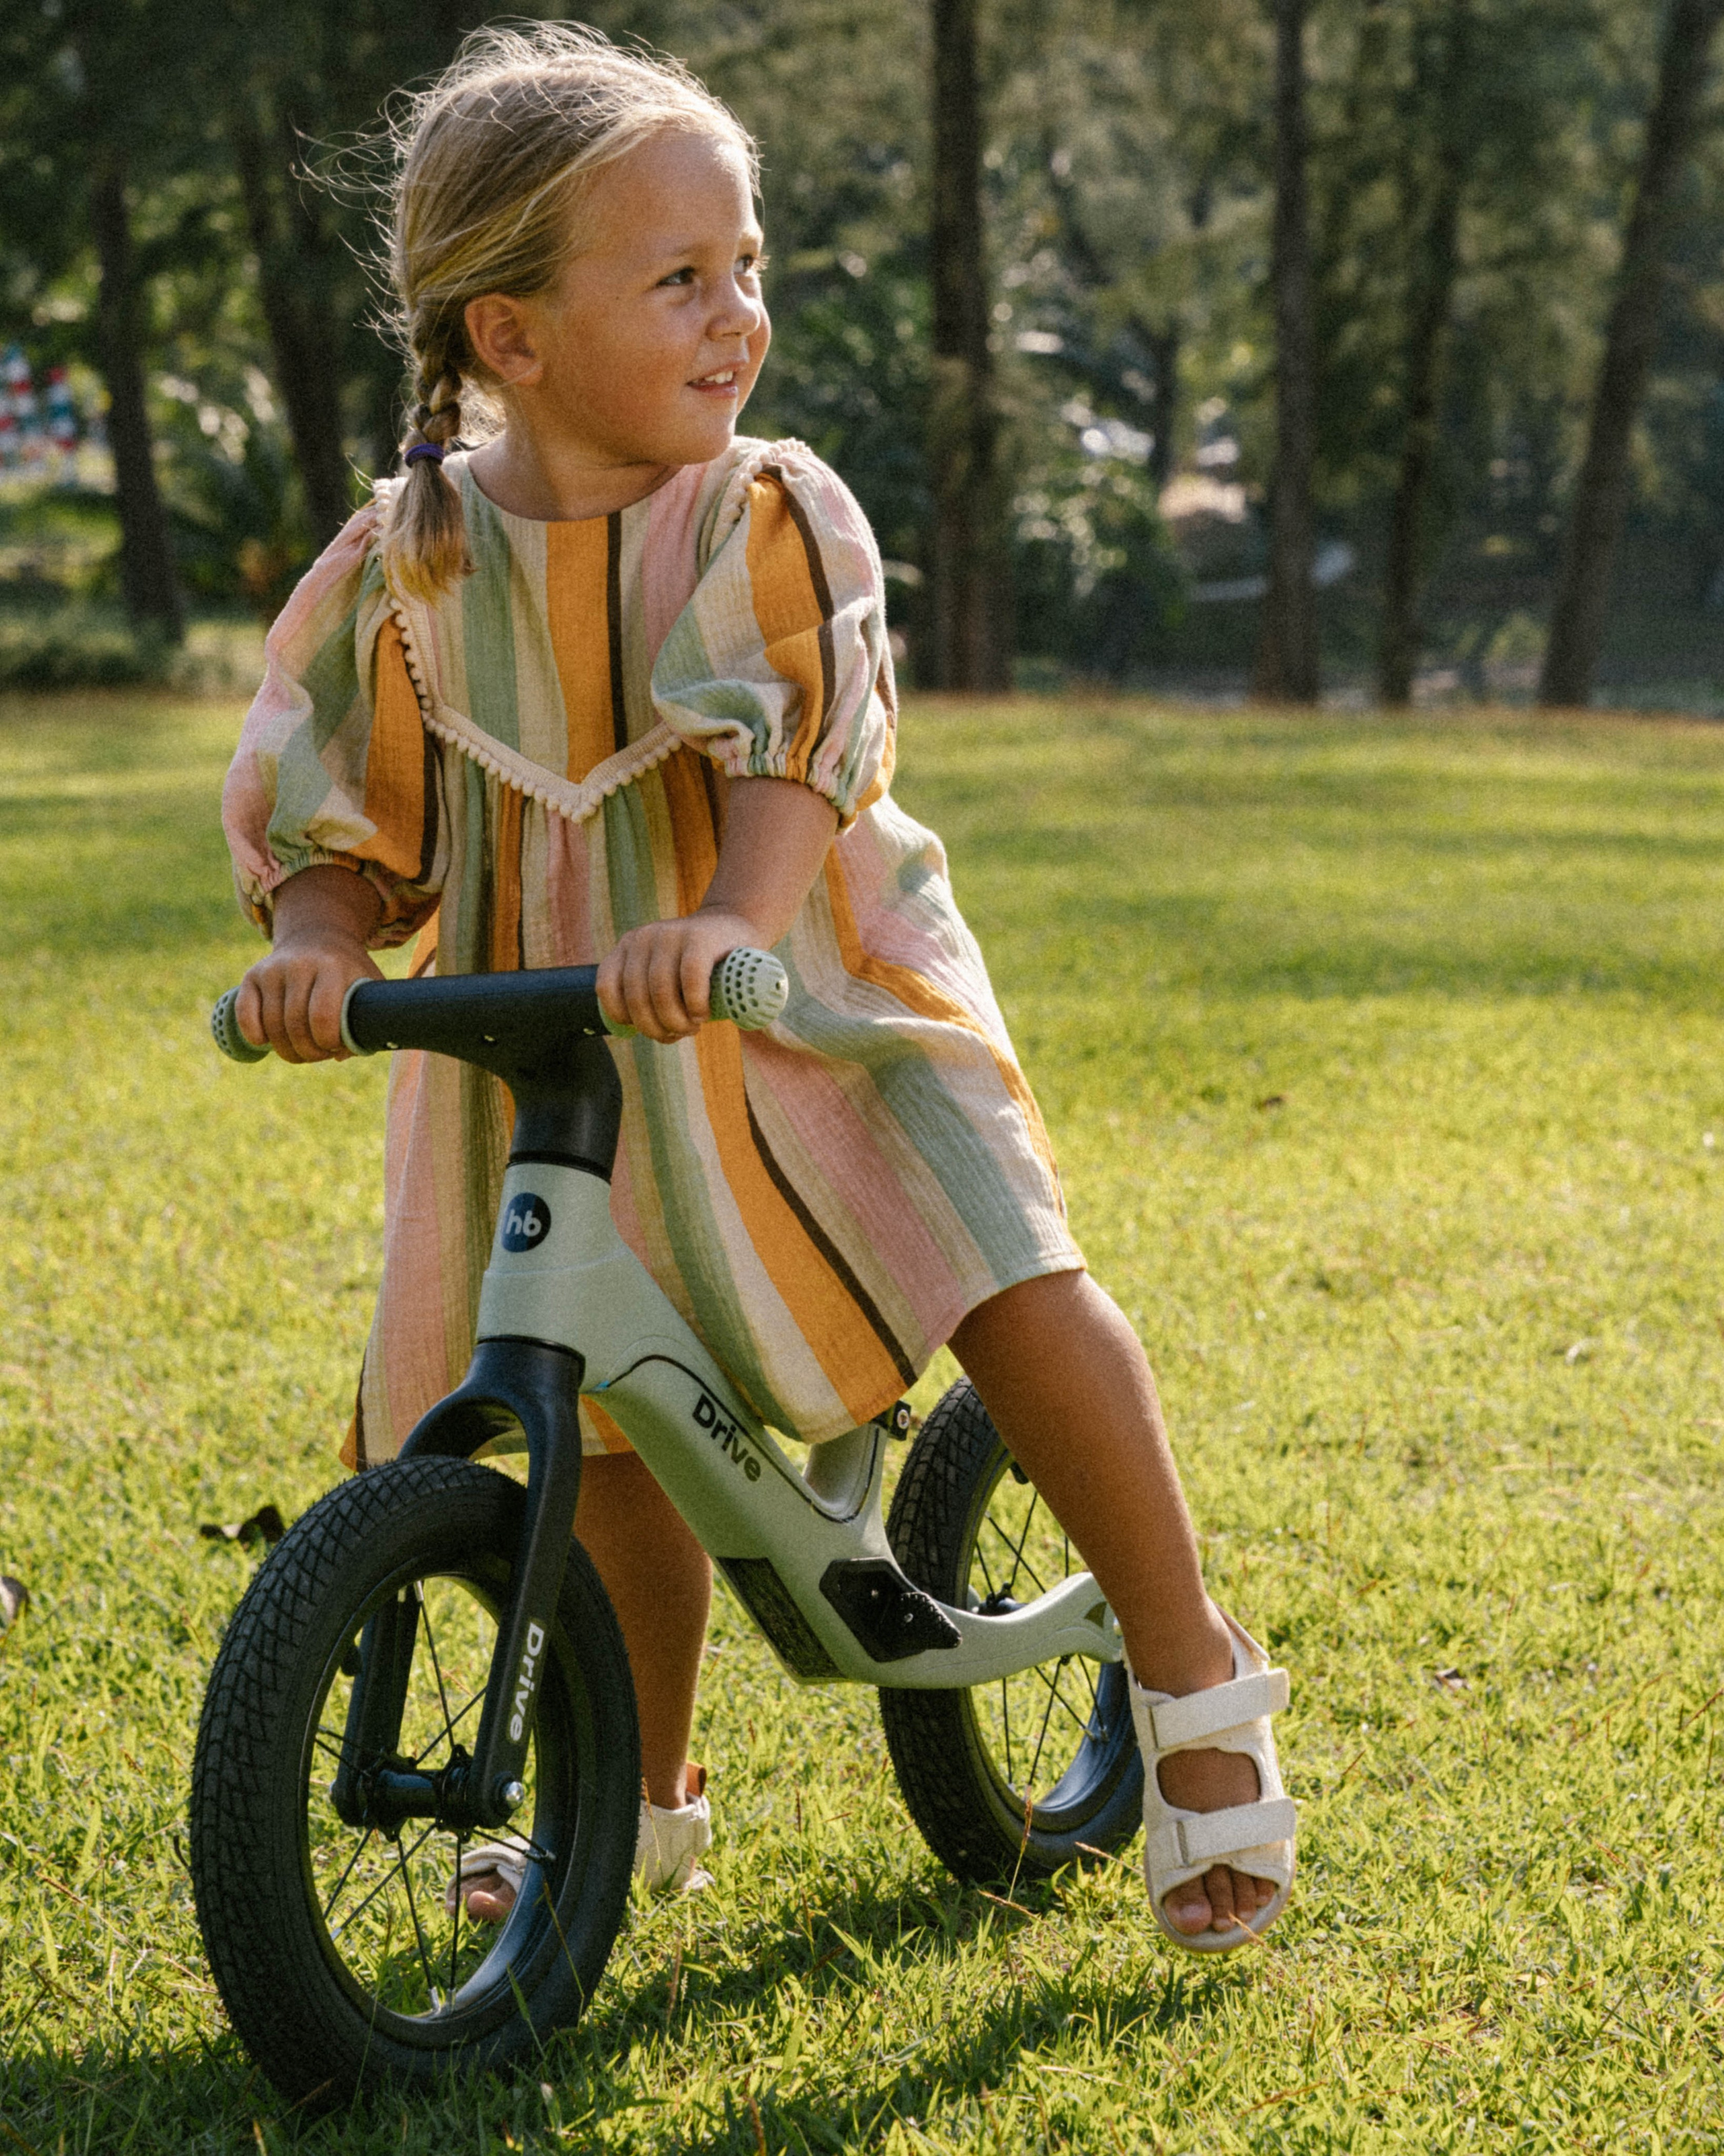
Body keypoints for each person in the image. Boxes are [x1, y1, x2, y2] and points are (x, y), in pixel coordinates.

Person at [223, 22, 1296, 1951]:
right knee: (602, 1400)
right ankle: (631, 1790)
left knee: (997, 1261)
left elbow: (799, 742)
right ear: (509, 337)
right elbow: (333, 792)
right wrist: (316, 941)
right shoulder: (410, 560)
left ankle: (1188, 1672)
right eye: (681, 278)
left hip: (797, 982)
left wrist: (731, 914)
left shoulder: (761, 507)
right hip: (555, 1022)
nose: (741, 316)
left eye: (749, 266)